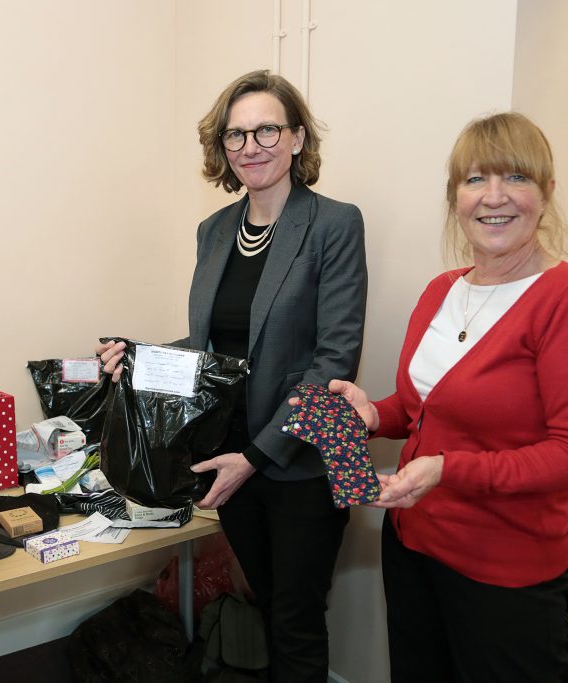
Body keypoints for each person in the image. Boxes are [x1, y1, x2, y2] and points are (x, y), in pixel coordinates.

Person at [322, 112, 568, 682]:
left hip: (504, 571)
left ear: (547, 193)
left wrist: (447, 470)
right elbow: (424, 408)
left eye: (516, 177)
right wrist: (374, 415)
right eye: (474, 180)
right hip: (412, 546)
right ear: (454, 197)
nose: (494, 197)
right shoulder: (443, 291)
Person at [98, 69, 367, 681]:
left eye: (267, 129)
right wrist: (134, 356)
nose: (252, 146)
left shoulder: (335, 223)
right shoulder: (214, 231)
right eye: (236, 135)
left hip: (313, 453)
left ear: (297, 138)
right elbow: (209, 349)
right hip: (233, 452)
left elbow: (336, 361)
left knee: (299, 620)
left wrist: (256, 455)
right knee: (267, 602)